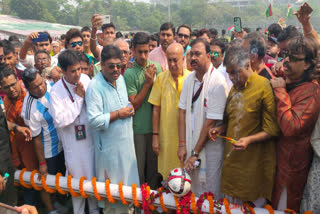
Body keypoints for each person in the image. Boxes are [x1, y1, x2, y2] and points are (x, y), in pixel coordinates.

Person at [210, 45, 279, 207]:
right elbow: (233, 119)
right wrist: (221, 128)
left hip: (253, 165)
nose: (232, 78)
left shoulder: (264, 86)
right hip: (232, 162)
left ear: (248, 65)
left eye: (235, 72)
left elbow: (272, 129)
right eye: (229, 73)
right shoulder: (234, 88)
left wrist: (249, 140)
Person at [86, 45, 139, 214]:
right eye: (111, 66)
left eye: (118, 65)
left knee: (129, 195)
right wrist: (118, 113)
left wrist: (128, 108)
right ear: (101, 65)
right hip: (110, 154)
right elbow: (94, 121)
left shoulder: (121, 79)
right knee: (114, 199)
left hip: (127, 149)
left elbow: (122, 106)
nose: (115, 69)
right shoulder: (95, 87)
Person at [270, 36, 320, 212]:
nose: (288, 62)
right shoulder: (290, 79)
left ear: (307, 64)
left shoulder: (311, 92)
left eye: (294, 58)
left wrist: (280, 90)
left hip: (291, 169)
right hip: (275, 161)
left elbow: (291, 128)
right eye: (287, 56)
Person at [49, 50, 99, 214]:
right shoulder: (56, 91)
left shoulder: (86, 79)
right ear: (63, 71)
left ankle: (93, 210)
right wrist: (78, 99)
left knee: (92, 183)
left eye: (79, 69)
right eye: (73, 71)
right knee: (77, 186)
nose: (78, 74)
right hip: (73, 146)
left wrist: (84, 98)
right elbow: (61, 120)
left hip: (90, 140)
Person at [178, 39, 228, 198]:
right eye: (191, 54)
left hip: (209, 149)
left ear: (208, 56)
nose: (193, 58)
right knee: (192, 192)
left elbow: (210, 122)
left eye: (198, 54)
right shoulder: (189, 79)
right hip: (192, 145)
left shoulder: (217, 81)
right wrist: (182, 145)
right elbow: (182, 112)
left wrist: (195, 152)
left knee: (209, 194)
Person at [21, 69, 65, 214]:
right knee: (46, 182)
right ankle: (51, 209)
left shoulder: (51, 85)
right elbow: (36, 138)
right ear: (27, 88)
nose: (41, 88)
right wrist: (42, 164)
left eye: (41, 83)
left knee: (60, 176)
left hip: (63, 143)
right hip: (48, 150)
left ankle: (58, 201)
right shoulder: (29, 108)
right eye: (35, 87)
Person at [124, 32, 162, 188]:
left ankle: (152, 201)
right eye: (140, 52)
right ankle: (139, 202)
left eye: (146, 51)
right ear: (132, 50)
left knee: (154, 168)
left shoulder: (156, 67)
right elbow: (135, 104)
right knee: (139, 167)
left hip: (155, 128)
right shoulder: (129, 73)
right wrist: (147, 83)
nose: (143, 56)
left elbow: (161, 98)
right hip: (138, 129)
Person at [148, 43, 190, 180]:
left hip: (186, 137)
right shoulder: (161, 79)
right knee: (168, 177)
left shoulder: (191, 79)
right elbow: (156, 109)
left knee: (187, 176)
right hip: (166, 138)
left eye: (175, 60)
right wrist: (155, 136)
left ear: (183, 59)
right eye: (169, 60)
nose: (172, 64)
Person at [0, 67, 39, 206]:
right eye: (7, 87)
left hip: (37, 145)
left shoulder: (30, 94)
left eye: (13, 84)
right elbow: (5, 125)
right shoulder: (6, 104)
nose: (11, 89)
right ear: (1, 88)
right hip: (16, 150)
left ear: (18, 80)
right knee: (18, 178)